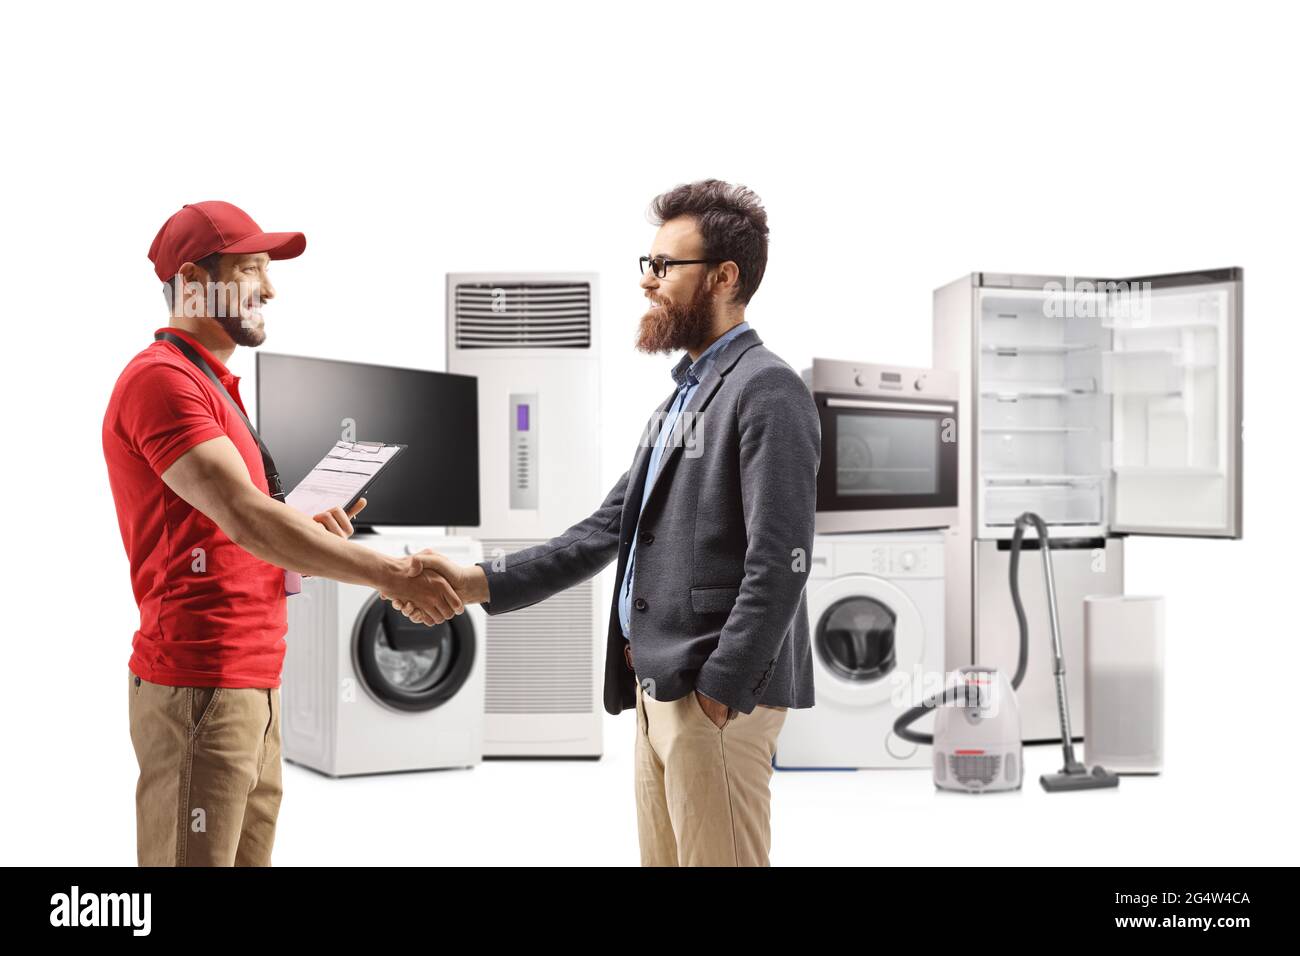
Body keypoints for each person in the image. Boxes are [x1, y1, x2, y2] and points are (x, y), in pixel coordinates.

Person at [393, 181, 820, 866]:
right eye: (645, 264)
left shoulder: (767, 388)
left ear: (723, 277)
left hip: (711, 698)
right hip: (660, 691)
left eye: (663, 266)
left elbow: (783, 561)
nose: (648, 281)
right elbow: (602, 531)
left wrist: (718, 691)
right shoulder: (680, 401)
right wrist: (473, 581)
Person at [103, 201, 461, 866]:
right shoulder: (162, 381)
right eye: (252, 270)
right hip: (201, 682)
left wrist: (298, 524)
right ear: (192, 282)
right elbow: (243, 515)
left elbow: (238, 523)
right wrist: (389, 575)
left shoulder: (214, 385)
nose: (270, 289)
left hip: (251, 682)